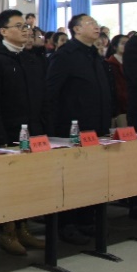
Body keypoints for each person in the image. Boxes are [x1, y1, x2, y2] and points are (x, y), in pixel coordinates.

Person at [0, 10, 48, 256]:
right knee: (9, 186)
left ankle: (23, 228)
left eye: (26, 26)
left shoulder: (30, 59)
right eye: (19, 26)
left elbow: (42, 98)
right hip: (8, 133)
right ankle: (7, 232)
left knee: (29, 184)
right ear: (3, 31)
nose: (26, 30)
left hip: (33, 131)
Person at [46, 14, 113, 245]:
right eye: (90, 23)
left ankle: (87, 220)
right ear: (76, 29)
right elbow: (52, 92)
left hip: (97, 128)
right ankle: (67, 224)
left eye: (96, 23)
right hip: (72, 129)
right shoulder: (65, 55)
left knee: (92, 177)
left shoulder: (94, 54)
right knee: (73, 179)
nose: (96, 26)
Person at [105, 35, 129, 127]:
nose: (126, 46)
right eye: (123, 43)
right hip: (119, 105)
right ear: (115, 47)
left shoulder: (131, 62)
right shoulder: (110, 64)